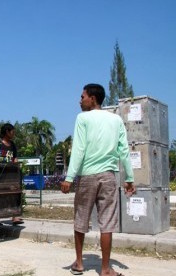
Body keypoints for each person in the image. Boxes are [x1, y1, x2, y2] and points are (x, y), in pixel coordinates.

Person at [60, 84, 136, 276]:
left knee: (81, 219)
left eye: (82, 96)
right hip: (109, 177)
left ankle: (79, 263)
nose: (80, 100)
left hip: (87, 176)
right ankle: (105, 269)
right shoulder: (116, 119)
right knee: (107, 223)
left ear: (92, 98)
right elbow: (124, 151)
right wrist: (129, 178)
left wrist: (69, 177)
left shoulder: (82, 118)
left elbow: (79, 148)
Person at [0, 123, 24, 225]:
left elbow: (15, 158)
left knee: (14, 194)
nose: (14, 134)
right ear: (7, 132)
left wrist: (17, 166)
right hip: (0, 174)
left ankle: (15, 217)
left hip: (11, 174)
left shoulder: (12, 144)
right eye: (12, 132)